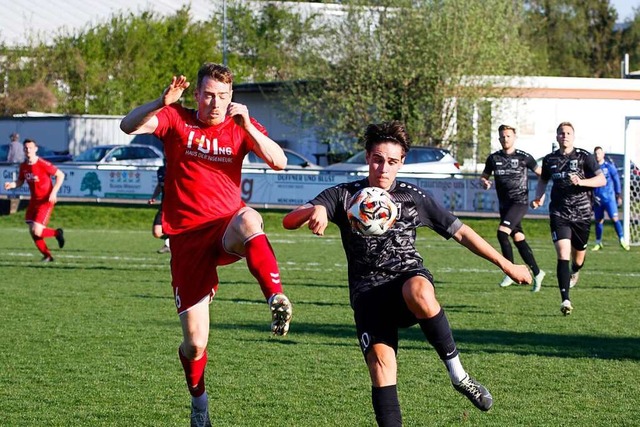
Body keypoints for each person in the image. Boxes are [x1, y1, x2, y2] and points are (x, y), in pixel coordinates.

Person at [283, 121, 531, 426]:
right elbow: (288, 221)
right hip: (367, 295)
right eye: (377, 159)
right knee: (381, 367)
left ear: (401, 163)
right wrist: (314, 210)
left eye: (392, 162)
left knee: (420, 291)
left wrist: (507, 265)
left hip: (406, 279)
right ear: (367, 157)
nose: (383, 168)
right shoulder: (343, 196)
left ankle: (459, 376)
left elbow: (463, 233)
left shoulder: (414, 197)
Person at [120, 62, 293, 427]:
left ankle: (275, 296)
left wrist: (249, 127)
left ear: (232, 97)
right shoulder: (175, 119)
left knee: (249, 218)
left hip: (224, 226)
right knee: (195, 344)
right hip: (186, 240)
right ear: (197, 94)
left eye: (224, 96)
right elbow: (127, 125)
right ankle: (199, 403)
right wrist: (160, 101)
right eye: (209, 94)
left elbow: (280, 161)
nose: (216, 103)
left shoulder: (239, 126)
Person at [531, 122, 605, 316]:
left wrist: (581, 181)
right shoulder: (550, 160)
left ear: (573, 136)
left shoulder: (584, 156)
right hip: (559, 212)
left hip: (582, 213)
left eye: (568, 133)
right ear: (557, 137)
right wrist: (539, 197)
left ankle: (576, 269)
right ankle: (565, 299)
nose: (565, 136)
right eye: (561, 133)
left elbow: (601, 180)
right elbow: (543, 180)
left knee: (578, 256)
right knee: (562, 252)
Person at [480, 124, 546, 291]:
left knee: (502, 233)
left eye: (508, 136)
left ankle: (510, 271)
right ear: (499, 138)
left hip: (519, 202)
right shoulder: (493, 158)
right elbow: (484, 177)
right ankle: (537, 273)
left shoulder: (524, 157)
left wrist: (541, 195)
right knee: (518, 238)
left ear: (514, 137)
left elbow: (543, 175)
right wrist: (484, 182)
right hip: (504, 205)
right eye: (502, 136)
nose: (505, 139)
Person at [3, 138, 65, 261]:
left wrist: (54, 193)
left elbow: (60, 175)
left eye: (30, 148)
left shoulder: (42, 163)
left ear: (35, 149)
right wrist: (12, 185)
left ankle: (57, 233)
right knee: (33, 232)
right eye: (26, 148)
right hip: (33, 201)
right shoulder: (24, 166)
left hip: (45, 201)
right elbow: (20, 181)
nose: (28, 150)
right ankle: (47, 256)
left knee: (37, 231)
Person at [591, 146, 629, 251]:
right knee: (598, 221)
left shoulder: (609, 166)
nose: (597, 155)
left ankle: (622, 239)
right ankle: (598, 242)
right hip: (597, 199)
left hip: (609, 198)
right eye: (595, 153)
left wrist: (618, 194)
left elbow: (616, 180)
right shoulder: (593, 168)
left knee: (615, 219)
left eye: (599, 153)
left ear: (603, 154)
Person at [148, 160, 170, 254]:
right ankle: (171, 241)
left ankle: (169, 244)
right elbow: (160, 185)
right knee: (157, 232)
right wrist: (154, 196)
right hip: (164, 206)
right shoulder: (161, 170)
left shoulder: (179, 168)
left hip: (177, 206)